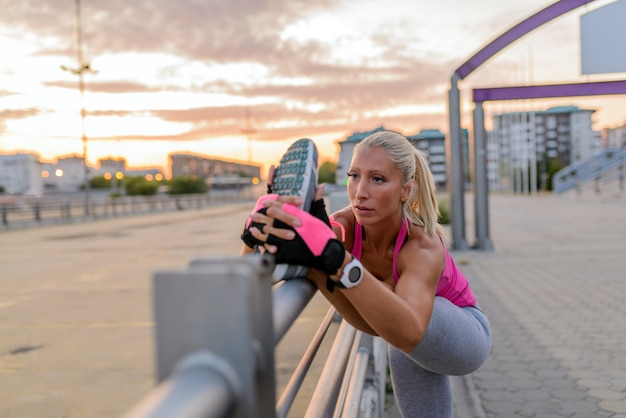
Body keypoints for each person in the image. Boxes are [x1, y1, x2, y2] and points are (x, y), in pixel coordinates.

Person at [242, 131, 491, 417]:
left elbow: (409, 333)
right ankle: (315, 270)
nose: (360, 191)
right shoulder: (343, 226)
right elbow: (249, 282)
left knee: (401, 333)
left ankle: (320, 269)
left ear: (406, 190)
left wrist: (336, 260)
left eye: (377, 179)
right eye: (354, 175)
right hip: (405, 331)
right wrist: (254, 238)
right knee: (323, 265)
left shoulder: (421, 244)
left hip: (464, 336)